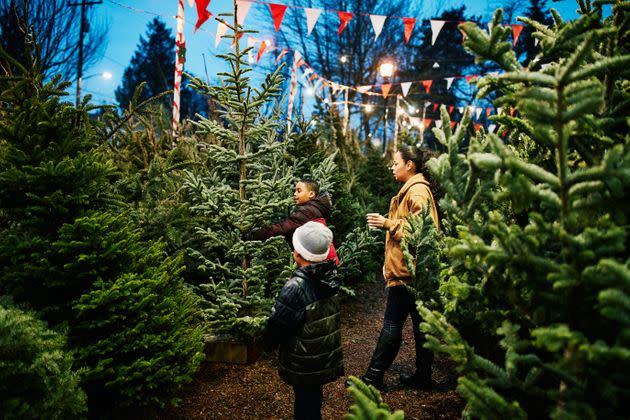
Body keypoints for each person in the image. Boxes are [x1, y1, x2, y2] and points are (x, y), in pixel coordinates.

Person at [360, 145, 440, 391]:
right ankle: (423, 376)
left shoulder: (416, 193)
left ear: (410, 165)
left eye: (395, 163)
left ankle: (372, 378)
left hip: (409, 272)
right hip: (415, 272)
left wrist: (388, 224)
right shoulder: (414, 190)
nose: (391, 167)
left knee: (392, 324)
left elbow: (423, 233)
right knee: (421, 326)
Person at [262, 221, 344, 420]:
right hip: (322, 357)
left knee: (304, 406)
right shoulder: (329, 275)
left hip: (304, 361)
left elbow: (279, 324)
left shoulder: (296, 287)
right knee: (313, 401)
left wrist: (266, 344)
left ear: (297, 254)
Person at [242, 179, 339, 264]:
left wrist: (254, 235)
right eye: (295, 191)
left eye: (299, 191)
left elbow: (283, 228)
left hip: (321, 260)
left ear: (311, 194)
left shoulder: (308, 211)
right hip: (326, 258)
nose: (295, 194)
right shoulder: (314, 209)